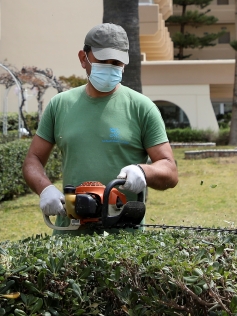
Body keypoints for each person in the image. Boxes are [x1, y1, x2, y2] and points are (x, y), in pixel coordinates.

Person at [23, 23, 179, 224]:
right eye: (103, 60)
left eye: (117, 62)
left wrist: (144, 171)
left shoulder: (142, 107)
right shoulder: (60, 105)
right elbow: (33, 159)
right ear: (83, 58)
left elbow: (170, 170)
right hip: (69, 232)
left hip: (125, 237)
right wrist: (45, 188)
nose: (110, 67)